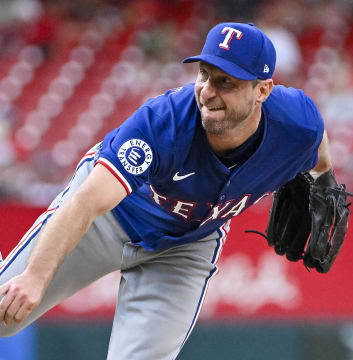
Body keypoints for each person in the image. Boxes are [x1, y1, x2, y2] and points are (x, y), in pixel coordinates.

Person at [0, 22, 332, 359]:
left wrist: (325, 182)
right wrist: (34, 277)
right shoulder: (164, 123)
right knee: (4, 315)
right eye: (204, 74)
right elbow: (86, 202)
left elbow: (317, 145)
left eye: (225, 82)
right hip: (113, 216)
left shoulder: (296, 122)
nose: (207, 91)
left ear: (262, 91)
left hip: (186, 246)